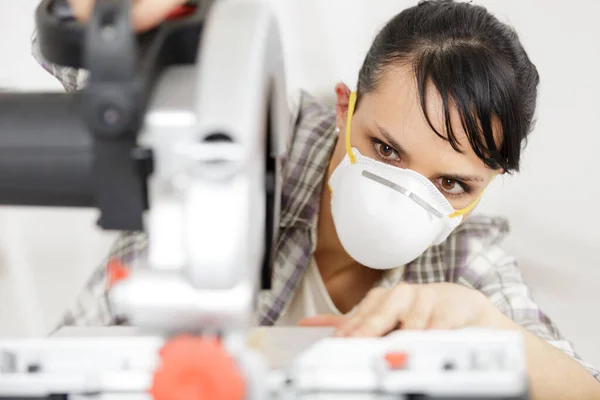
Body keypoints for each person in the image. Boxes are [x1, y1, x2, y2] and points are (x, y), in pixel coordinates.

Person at [32, 0, 600, 398]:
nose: (406, 192)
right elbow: (85, 64)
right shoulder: (250, 128)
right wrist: (112, 20)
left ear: (484, 188)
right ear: (342, 108)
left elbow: (581, 387)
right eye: (386, 148)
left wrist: (484, 322)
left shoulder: (467, 257)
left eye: (452, 184)